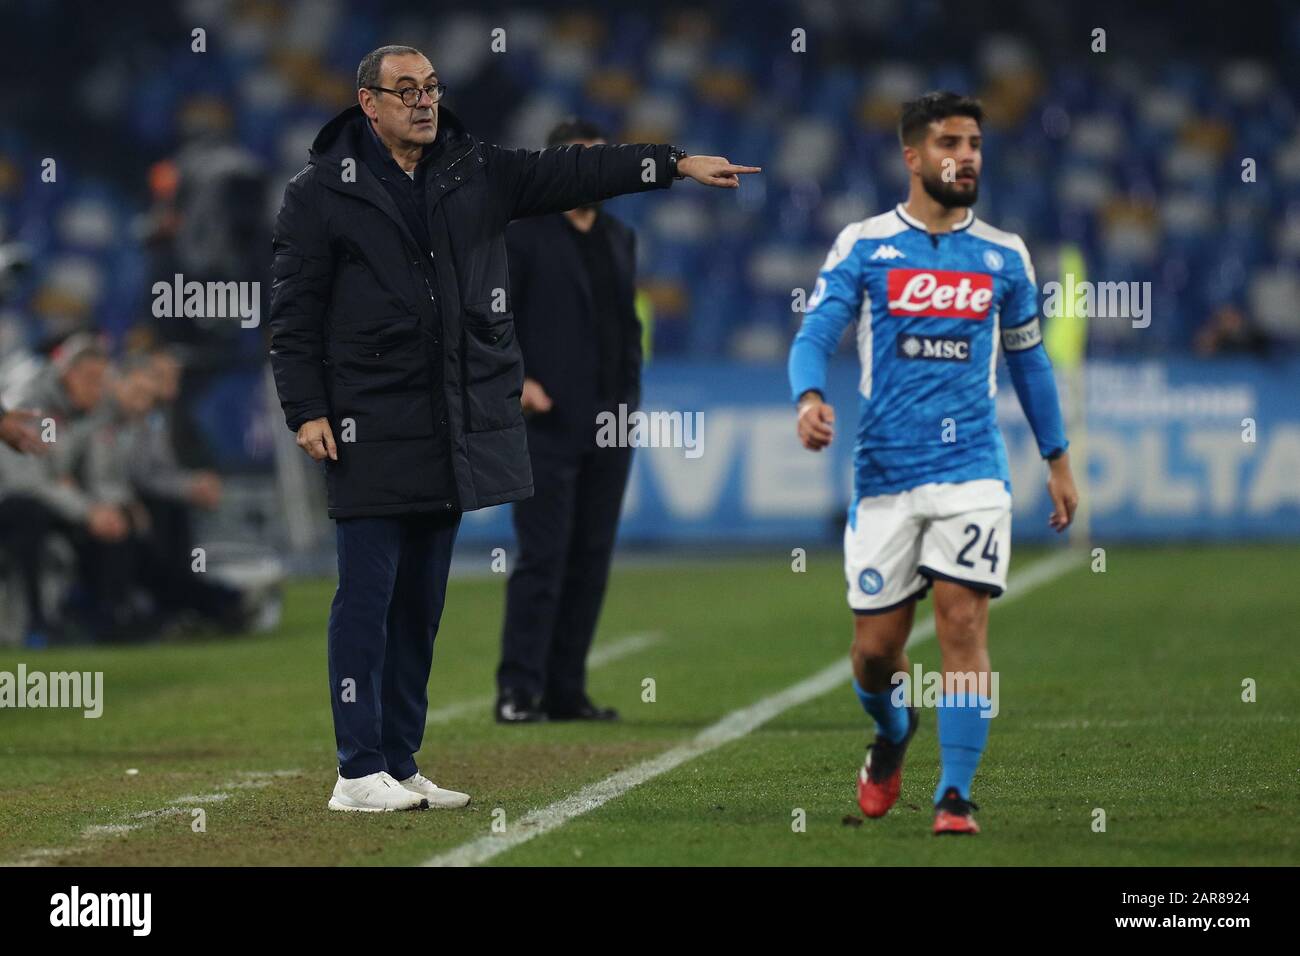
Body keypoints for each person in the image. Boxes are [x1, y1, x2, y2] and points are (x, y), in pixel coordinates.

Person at [269, 45, 759, 812]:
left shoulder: (474, 170)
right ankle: (355, 768)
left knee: (422, 602)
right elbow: (291, 314)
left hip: (447, 422)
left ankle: (398, 759)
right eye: (406, 92)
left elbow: (574, 173)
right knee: (367, 596)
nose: (424, 102)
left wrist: (673, 163)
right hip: (368, 420)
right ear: (368, 103)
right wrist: (307, 410)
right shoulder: (320, 193)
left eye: (431, 88)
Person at [788, 92, 1078, 836]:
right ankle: (891, 734)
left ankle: (954, 795)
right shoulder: (865, 245)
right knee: (875, 657)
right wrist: (808, 396)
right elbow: (815, 332)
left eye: (976, 142)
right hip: (885, 476)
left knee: (962, 623)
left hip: (973, 471)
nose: (969, 155)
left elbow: (1030, 361)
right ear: (913, 156)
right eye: (951, 141)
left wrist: (1057, 457)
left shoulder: (1004, 254)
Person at [494, 119, 642, 724]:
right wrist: (518, 380)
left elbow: (623, 325)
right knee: (542, 556)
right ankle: (517, 689)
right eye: (583, 164)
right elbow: (494, 318)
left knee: (591, 557)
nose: (596, 176)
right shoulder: (523, 236)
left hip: (612, 421)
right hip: (547, 418)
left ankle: (565, 689)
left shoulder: (620, 235)